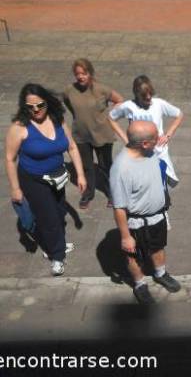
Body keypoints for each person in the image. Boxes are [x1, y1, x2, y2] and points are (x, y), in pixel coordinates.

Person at [5, 83, 86, 276]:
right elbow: (9, 158)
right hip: (33, 180)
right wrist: (15, 188)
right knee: (49, 218)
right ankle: (57, 256)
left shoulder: (58, 120)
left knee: (58, 214)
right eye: (30, 107)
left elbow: (72, 147)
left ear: (47, 102)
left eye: (40, 105)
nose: (35, 110)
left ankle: (54, 241)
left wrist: (81, 174)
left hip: (57, 177)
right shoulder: (19, 127)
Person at [110, 121, 181, 304]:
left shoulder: (149, 151)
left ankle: (160, 274)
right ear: (144, 143)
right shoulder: (121, 169)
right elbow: (119, 207)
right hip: (136, 223)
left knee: (158, 247)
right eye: (155, 137)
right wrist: (126, 237)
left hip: (157, 216)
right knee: (134, 257)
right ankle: (140, 284)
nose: (160, 139)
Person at [108, 75, 184, 230]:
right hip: (139, 156)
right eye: (144, 96)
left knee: (162, 185)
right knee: (143, 185)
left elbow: (179, 115)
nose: (149, 98)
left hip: (158, 154)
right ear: (137, 94)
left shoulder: (159, 104)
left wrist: (168, 134)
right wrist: (125, 138)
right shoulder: (129, 106)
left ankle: (163, 212)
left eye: (150, 94)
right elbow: (111, 118)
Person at [63, 58, 123, 210]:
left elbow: (119, 100)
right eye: (78, 74)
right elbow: (69, 104)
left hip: (102, 134)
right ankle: (88, 193)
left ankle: (112, 193)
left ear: (90, 73)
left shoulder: (101, 89)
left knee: (105, 166)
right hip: (81, 135)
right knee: (87, 166)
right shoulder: (69, 90)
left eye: (84, 73)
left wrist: (110, 115)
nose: (81, 76)